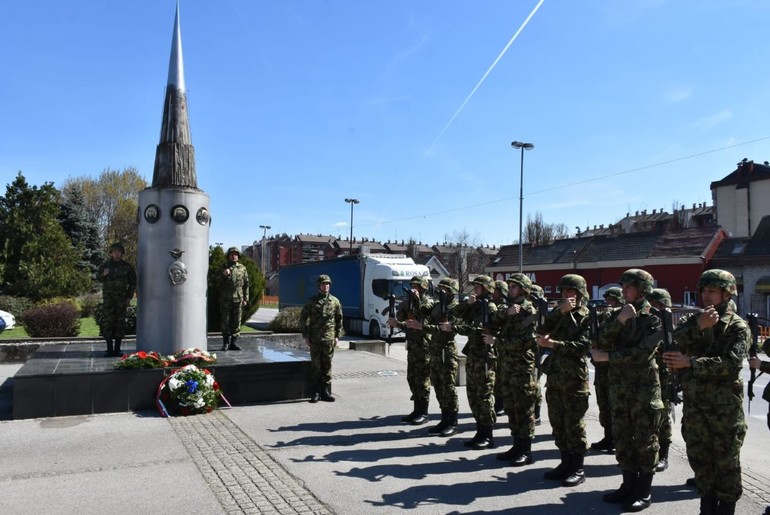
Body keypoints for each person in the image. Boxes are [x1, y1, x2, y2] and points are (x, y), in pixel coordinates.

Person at [663, 270, 751, 515]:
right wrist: (699, 326)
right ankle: (707, 507)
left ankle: (726, 510)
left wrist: (691, 363)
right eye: (703, 290)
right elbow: (673, 341)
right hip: (695, 406)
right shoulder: (696, 320)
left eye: (712, 291)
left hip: (723, 411)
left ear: (726, 293)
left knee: (726, 465)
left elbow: (731, 364)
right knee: (700, 461)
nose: (706, 295)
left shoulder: (737, 327)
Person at [593, 269, 663, 512]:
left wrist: (609, 357)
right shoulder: (616, 314)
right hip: (619, 387)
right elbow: (599, 339)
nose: (624, 292)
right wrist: (620, 320)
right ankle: (627, 485)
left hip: (643, 388)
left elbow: (643, 353)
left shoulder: (654, 318)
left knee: (645, 440)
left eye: (629, 288)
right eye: (623, 288)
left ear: (642, 290)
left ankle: (643, 491)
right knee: (622, 437)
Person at [537, 274, 591, 487]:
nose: (566, 295)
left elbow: (583, 347)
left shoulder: (586, 316)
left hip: (574, 379)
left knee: (574, 424)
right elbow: (542, 330)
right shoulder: (559, 313)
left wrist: (554, 345)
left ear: (579, 293)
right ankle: (565, 463)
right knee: (558, 422)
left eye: (570, 291)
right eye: (563, 292)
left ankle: (577, 467)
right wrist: (560, 312)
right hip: (556, 376)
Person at [491, 273, 539, 467]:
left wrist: (498, 342)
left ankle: (525, 450)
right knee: (511, 406)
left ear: (523, 290)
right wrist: (507, 313)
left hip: (521, 365)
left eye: (513, 287)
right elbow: (493, 319)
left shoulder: (529, 311)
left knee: (524, 408)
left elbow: (525, 341)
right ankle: (516, 445)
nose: (509, 289)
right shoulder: (509, 309)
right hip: (508, 365)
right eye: (509, 286)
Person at [453, 275, 498, 449]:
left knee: (484, 396)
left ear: (486, 289)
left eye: (478, 287)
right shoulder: (476, 306)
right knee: (473, 395)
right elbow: (456, 315)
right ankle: (480, 431)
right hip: (474, 355)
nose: (475, 290)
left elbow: (482, 329)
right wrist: (468, 304)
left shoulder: (490, 307)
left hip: (485, 356)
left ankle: (488, 435)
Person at [388, 275, 434, 424]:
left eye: (416, 286)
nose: (414, 289)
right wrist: (397, 322)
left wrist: (417, 300)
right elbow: (406, 322)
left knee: (422, 380)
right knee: (412, 378)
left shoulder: (428, 302)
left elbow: (424, 315)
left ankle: (424, 412)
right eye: (412, 286)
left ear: (423, 288)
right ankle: (416, 409)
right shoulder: (410, 303)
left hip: (423, 345)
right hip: (412, 345)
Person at [423, 277, 461, 437]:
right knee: (438, 385)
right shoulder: (438, 306)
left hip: (447, 350)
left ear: (451, 291)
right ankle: (444, 418)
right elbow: (428, 317)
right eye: (440, 289)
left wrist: (424, 327)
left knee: (448, 387)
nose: (440, 292)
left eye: (444, 289)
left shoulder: (456, 307)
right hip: (436, 349)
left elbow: (451, 329)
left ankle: (452, 421)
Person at [590, 287, 624, 453]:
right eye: (608, 300)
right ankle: (608, 437)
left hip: (614, 369)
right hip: (601, 369)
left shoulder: (621, 316)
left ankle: (618, 441)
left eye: (612, 300)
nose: (609, 303)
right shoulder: (606, 317)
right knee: (604, 406)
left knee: (615, 408)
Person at [299, 274, 343, 403]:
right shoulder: (312, 301)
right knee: (316, 366)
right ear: (319, 285)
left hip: (329, 338)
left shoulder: (335, 301)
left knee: (327, 365)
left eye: (328, 284)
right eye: (323, 284)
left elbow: (339, 319)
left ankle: (325, 392)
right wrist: (305, 336)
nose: (326, 286)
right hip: (315, 339)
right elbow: (303, 319)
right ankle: (316, 392)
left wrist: (337, 336)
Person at [646, 288, 676, 473]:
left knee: (664, 419)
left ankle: (663, 456)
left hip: (665, 378)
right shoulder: (647, 325)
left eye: (657, 306)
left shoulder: (671, 329)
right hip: (649, 378)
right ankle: (651, 454)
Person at [97, 242, 136, 357]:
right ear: (111, 253)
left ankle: (117, 349)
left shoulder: (127, 267)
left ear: (122, 253)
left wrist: (129, 296)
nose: (116, 254)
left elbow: (133, 283)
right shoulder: (105, 266)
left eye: (119, 252)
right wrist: (103, 275)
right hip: (109, 300)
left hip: (121, 300)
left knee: (119, 323)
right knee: (108, 323)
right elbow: (98, 278)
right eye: (114, 252)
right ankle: (109, 349)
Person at [219, 247, 250, 351]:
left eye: (235, 254)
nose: (234, 256)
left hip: (238, 298)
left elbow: (246, 284)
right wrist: (223, 274)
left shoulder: (242, 268)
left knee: (237, 321)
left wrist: (246, 298)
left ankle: (234, 343)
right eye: (232, 254)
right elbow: (216, 281)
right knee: (225, 321)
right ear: (228, 256)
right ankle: (225, 343)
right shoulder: (223, 267)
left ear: (238, 256)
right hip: (226, 299)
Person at [492, 280, 509, 416]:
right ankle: (499, 403)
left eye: (495, 290)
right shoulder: (493, 304)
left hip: (501, 344)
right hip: (496, 344)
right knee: (497, 376)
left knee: (501, 377)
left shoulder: (504, 306)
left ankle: (501, 403)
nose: (493, 293)